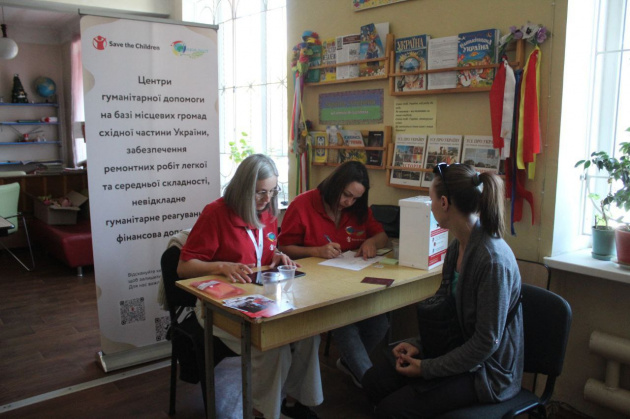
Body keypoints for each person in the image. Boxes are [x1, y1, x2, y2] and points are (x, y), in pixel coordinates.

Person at [362, 163, 524, 418]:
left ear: (445, 203)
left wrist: (426, 368)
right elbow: (447, 314)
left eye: (431, 199)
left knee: (391, 411)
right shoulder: (458, 246)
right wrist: (418, 345)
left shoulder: (492, 261)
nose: (431, 204)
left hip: (487, 373)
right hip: (457, 352)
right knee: (374, 380)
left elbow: (485, 344)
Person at [177, 154, 322, 419]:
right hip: (218, 305)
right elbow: (184, 266)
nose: (267, 200)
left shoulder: (268, 213)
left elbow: (263, 249)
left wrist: (276, 254)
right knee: (273, 345)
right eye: (259, 193)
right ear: (243, 188)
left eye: (272, 191)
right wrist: (220, 266)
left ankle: (296, 402)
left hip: (261, 298)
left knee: (308, 332)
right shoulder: (216, 213)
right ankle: (263, 412)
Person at [278, 161, 389, 388]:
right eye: (346, 195)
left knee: (381, 321)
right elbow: (284, 248)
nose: (349, 202)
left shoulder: (356, 210)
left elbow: (382, 237)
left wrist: (370, 241)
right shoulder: (303, 204)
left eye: (356, 198)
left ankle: (351, 364)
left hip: (351, 282)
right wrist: (315, 251)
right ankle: (372, 385)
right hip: (311, 287)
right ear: (335, 185)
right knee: (344, 323)